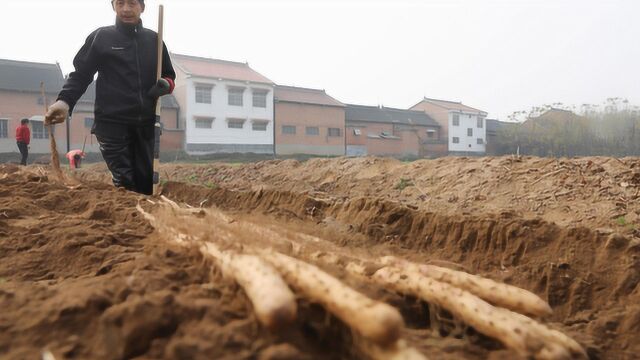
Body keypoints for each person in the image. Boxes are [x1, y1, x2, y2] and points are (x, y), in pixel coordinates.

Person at [45, 0, 175, 195]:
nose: (126, 9)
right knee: (126, 182)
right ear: (113, 6)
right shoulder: (101, 37)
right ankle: (129, 222)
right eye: (120, 3)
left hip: (147, 124)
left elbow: (169, 75)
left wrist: (165, 84)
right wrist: (64, 102)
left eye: (132, 3)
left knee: (146, 183)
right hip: (112, 123)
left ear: (142, 7)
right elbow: (81, 74)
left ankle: (146, 222)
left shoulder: (155, 41)